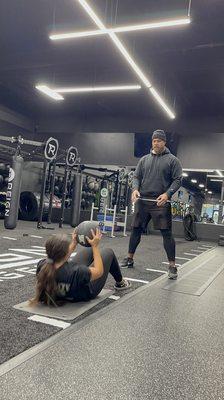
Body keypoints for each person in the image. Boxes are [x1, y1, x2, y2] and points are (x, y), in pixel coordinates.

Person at [120, 129, 182, 279]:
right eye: (154, 140)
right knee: (135, 229)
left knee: (166, 233)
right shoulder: (144, 159)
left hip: (160, 201)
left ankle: (172, 266)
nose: (156, 143)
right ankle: (129, 258)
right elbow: (136, 177)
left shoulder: (173, 160)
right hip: (143, 200)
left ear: (164, 142)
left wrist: (167, 194)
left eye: (159, 141)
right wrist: (135, 189)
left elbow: (178, 180)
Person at [30, 229, 130, 306]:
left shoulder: (42, 265)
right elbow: (99, 271)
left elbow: (60, 257)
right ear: (65, 253)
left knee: (89, 250)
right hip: (85, 292)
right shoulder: (77, 272)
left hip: (64, 290)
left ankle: (93, 249)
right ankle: (120, 283)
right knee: (108, 252)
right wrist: (95, 246)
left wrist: (74, 243)